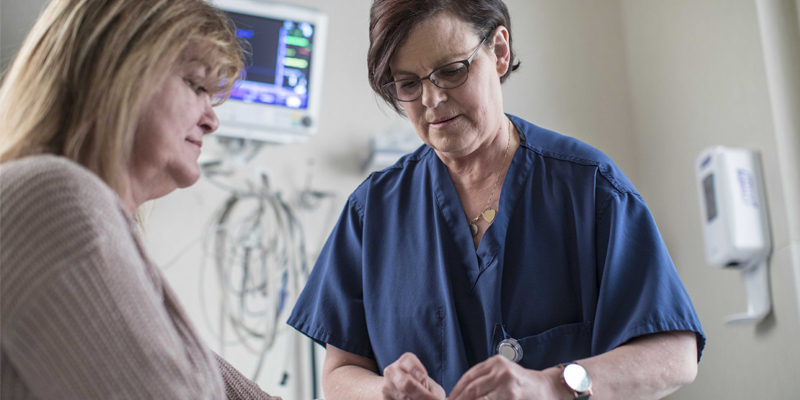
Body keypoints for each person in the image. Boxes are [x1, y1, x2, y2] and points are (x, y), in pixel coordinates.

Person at [287, 0, 706, 399]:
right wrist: (387, 392)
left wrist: (554, 386)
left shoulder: (589, 188)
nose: (431, 100)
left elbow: (675, 353)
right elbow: (340, 373)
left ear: (500, 51)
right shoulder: (372, 212)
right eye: (409, 84)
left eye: (451, 71)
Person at [0, 0, 280, 399]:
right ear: (114, 70)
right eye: (197, 84)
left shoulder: (72, 210)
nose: (211, 119)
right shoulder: (55, 198)